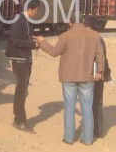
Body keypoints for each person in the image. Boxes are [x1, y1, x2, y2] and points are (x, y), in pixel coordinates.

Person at [35, 14, 105, 145]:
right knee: (87, 109)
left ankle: (69, 138)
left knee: (69, 107)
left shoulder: (65, 36)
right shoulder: (95, 36)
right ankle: (88, 139)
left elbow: (54, 52)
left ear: (71, 22)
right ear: (83, 21)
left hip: (68, 77)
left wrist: (42, 42)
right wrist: (100, 72)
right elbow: (100, 57)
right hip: (88, 77)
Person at [5, 2, 40, 133]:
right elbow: (16, 41)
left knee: (23, 90)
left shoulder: (25, 21)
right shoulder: (19, 22)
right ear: (29, 9)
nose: (36, 14)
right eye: (35, 11)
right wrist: (34, 45)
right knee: (21, 90)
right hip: (19, 59)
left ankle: (19, 119)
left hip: (24, 59)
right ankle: (19, 121)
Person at [83, 16, 111, 138]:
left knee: (89, 103)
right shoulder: (100, 39)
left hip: (90, 75)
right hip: (99, 74)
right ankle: (98, 131)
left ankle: (90, 132)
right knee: (97, 103)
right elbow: (104, 59)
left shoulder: (88, 40)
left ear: (89, 27)